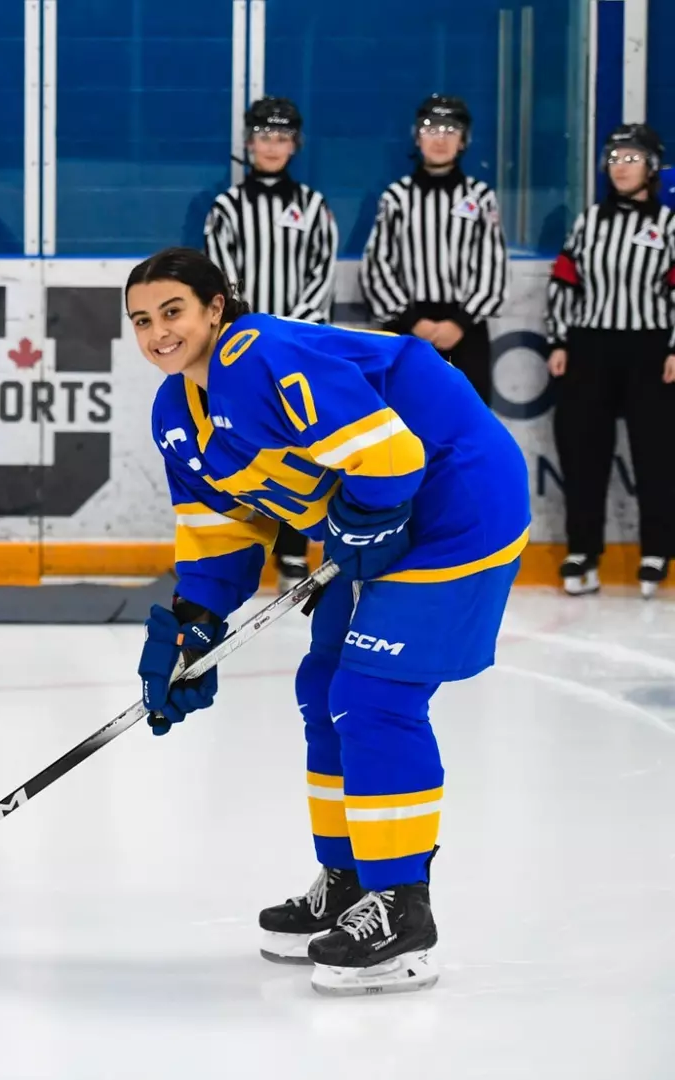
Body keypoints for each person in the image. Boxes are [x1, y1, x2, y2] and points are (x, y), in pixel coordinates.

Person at [125, 247, 528, 996]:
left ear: (216, 308)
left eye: (173, 311)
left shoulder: (257, 355)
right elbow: (221, 531)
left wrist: (362, 521)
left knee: (374, 697)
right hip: (384, 520)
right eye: (142, 321)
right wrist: (194, 625)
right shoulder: (175, 412)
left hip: (458, 508)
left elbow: (392, 456)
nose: (158, 333)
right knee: (322, 688)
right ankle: (349, 880)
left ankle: (402, 907)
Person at [205, 96, 339, 586]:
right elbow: (219, 278)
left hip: (297, 344)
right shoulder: (227, 207)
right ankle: (238, 547)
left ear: (295, 144)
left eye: (282, 137)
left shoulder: (313, 206)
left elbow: (322, 275)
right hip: (241, 347)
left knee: (301, 443)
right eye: (264, 136)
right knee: (241, 441)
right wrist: (249, 333)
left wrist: (290, 332)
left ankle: (293, 551)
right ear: (248, 142)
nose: (272, 145)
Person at [544, 123, 675, 597]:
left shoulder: (669, 225)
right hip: (590, 346)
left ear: (651, 167)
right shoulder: (589, 222)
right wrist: (559, 341)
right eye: (615, 158)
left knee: (656, 454)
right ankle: (583, 549)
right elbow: (564, 283)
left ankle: (656, 549)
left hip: (650, 349)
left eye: (632, 158)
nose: (621, 167)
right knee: (583, 452)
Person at [360, 94, 509, 404]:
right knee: (402, 419)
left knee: (466, 421)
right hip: (407, 327)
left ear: (464, 140)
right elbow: (377, 266)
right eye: (431, 129)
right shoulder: (396, 197)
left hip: (465, 331)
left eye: (450, 130)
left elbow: (492, 268)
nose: (440, 139)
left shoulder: (480, 197)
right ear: (417, 137)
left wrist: (460, 322)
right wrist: (413, 320)